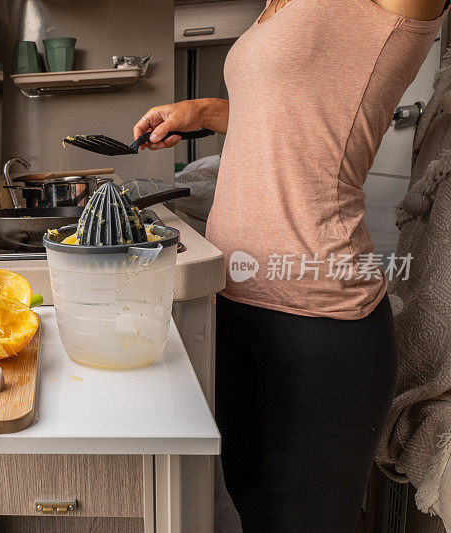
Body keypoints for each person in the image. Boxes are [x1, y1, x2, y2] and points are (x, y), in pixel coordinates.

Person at [134, 0, 448, 531]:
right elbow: (300, 114)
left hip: (321, 326)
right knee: (250, 502)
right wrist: (209, 111)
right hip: (231, 303)